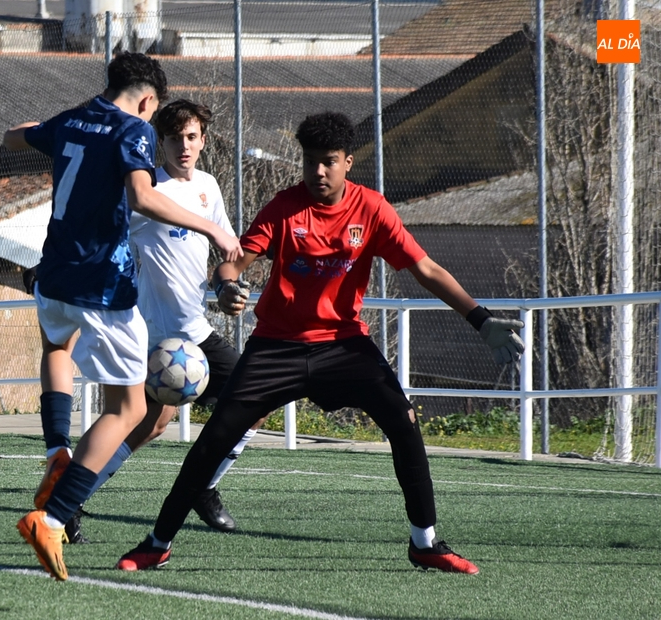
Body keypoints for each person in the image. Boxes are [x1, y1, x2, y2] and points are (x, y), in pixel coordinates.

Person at [115, 111, 525, 575]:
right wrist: (227, 285)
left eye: (328, 162)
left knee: (405, 424)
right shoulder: (284, 207)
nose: (318, 172)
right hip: (276, 346)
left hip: (345, 347)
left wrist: (481, 319)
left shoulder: (372, 209)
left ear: (348, 162)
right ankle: (157, 543)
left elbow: (425, 269)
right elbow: (233, 262)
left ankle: (425, 543)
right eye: (310, 162)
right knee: (215, 438)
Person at [3, 52, 242, 582]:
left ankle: (56, 452)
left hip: (54, 276)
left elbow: (13, 137)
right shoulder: (131, 130)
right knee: (131, 409)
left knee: (56, 350)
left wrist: (33, 135)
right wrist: (214, 231)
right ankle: (55, 516)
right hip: (100, 283)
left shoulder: (73, 119)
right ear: (150, 101)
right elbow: (142, 195)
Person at [65, 99, 265, 542]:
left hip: (195, 334)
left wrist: (227, 289)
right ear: (160, 142)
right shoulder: (145, 187)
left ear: (203, 141)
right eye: (174, 138)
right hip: (150, 336)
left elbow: (223, 260)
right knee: (146, 423)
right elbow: (100, 234)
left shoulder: (209, 187)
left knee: (254, 405)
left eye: (191, 137)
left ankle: (204, 487)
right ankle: (69, 502)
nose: (184, 146)